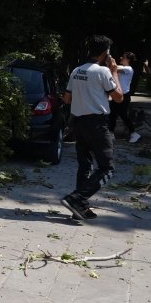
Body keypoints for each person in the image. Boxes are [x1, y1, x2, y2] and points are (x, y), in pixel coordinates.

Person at [61, 35, 123, 220]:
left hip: (78, 123)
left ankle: (79, 206)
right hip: (97, 124)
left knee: (85, 165)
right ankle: (76, 198)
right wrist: (114, 72)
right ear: (106, 53)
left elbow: (67, 99)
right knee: (107, 168)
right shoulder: (103, 72)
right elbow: (119, 97)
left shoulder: (76, 70)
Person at [108, 52, 140, 143]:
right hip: (117, 94)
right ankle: (111, 133)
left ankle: (134, 133)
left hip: (124, 96)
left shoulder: (129, 69)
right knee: (112, 114)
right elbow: (113, 68)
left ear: (128, 60)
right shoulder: (122, 67)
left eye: (124, 57)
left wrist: (109, 59)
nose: (121, 57)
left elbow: (114, 68)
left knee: (123, 114)